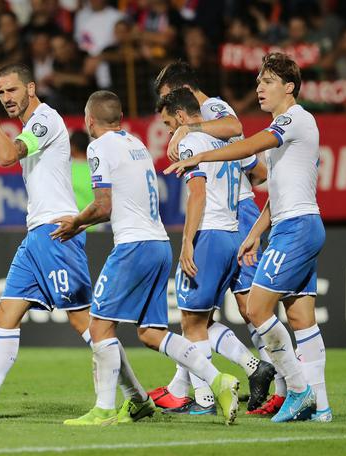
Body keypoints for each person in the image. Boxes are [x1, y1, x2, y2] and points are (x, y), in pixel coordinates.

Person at [0, 64, 144, 422]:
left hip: (55, 234)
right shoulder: (30, 124)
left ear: (31, 88)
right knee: (6, 312)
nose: (5, 99)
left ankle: (134, 396)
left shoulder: (45, 120)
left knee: (85, 322)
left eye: (12, 91)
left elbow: (5, 156)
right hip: (36, 235)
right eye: (0, 93)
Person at [54, 90, 240, 426]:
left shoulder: (98, 147)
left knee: (99, 326)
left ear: (90, 120)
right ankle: (217, 381)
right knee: (150, 333)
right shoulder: (136, 144)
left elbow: (103, 205)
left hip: (133, 246)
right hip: (158, 244)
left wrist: (76, 223)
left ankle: (104, 409)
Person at [166, 52, 330, 423]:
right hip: (294, 222)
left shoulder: (293, 119)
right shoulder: (288, 131)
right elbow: (275, 193)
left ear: (289, 87)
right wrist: (256, 233)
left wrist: (198, 153)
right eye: (258, 81)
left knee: (255, 309)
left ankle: (299, 390)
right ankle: (321, 406)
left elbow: (249, 144)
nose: (259, 88)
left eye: (267, 81)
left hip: (297, 227)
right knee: (301, 316)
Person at [150, 61, 278, 414]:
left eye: (170, 100)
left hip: (229, 218)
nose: (170, 112)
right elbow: (257, 166)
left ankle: (268, 380)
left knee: (234, 311)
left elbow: (235, 128)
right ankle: (251, 372)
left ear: (184, 96)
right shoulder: (204, 129)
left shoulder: (212, 110)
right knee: (214, 314)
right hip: (232, 217)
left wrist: (187, 130)